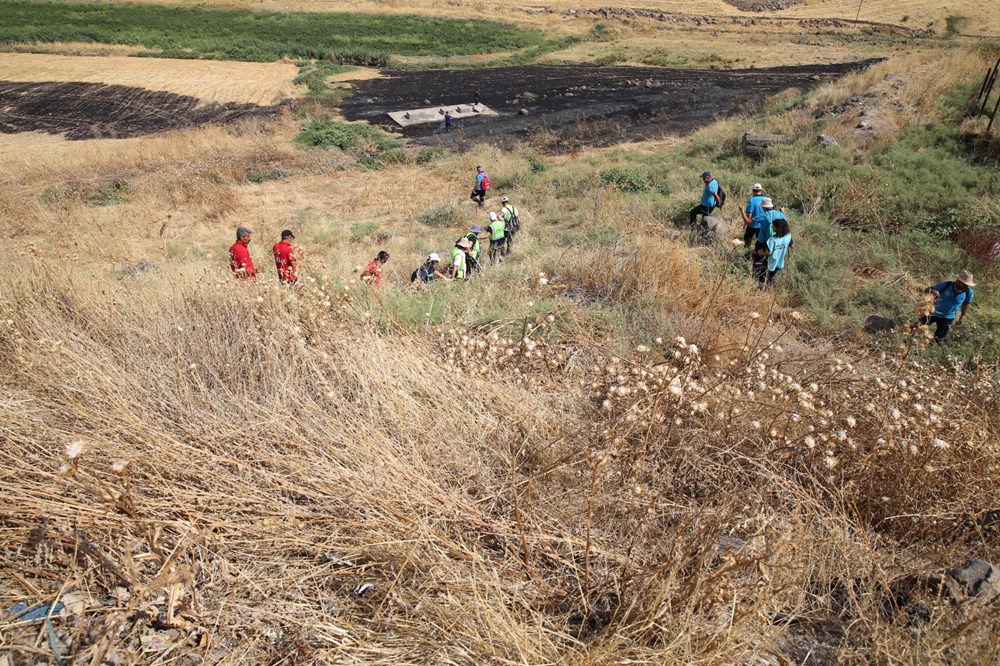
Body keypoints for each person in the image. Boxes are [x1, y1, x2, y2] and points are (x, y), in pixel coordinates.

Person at [919, 271, 976, 342]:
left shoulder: (969, 292)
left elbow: (966, 303)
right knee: (917, 328)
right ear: (958, 280)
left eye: (967, 285)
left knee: (938, 339)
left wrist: (962, 316)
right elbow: (927, 290)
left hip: (948, 317)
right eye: (964, 284)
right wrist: (933, 291)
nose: (966, 286)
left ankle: (931, 350)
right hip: (932, 312)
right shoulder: (946, 285)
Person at [753, 198, 787, 282]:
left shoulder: (763, 216)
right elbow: (787, 223)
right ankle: (767, 277)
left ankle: (756, 276)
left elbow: (748, 222)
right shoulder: (780, 215)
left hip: (763, 241)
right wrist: (783, 212)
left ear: (763, 207)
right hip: (776, 241)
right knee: (769, 261)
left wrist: (742, 211)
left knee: (757, 258)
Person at [758, 217, 792, 285]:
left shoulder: (772, 239)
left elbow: (768, 252)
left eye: (773, 226)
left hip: (770, 262)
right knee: (771, 277)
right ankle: (770, 289)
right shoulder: (788, 236)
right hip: (779, 261)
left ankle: (763, 290)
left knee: (763, 277)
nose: (772, 227)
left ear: (777, 228)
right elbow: (792, 246)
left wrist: (760, 253)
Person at [738, 183, 766, 252]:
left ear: (753, 191)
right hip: (763, 225)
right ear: (761, 190)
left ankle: (746, 258)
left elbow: (749, 215)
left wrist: (745, 224)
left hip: (752, 225)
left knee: (747, 241)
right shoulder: (766, 199)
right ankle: (758, 258)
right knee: (760, 243)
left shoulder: (752, 200)